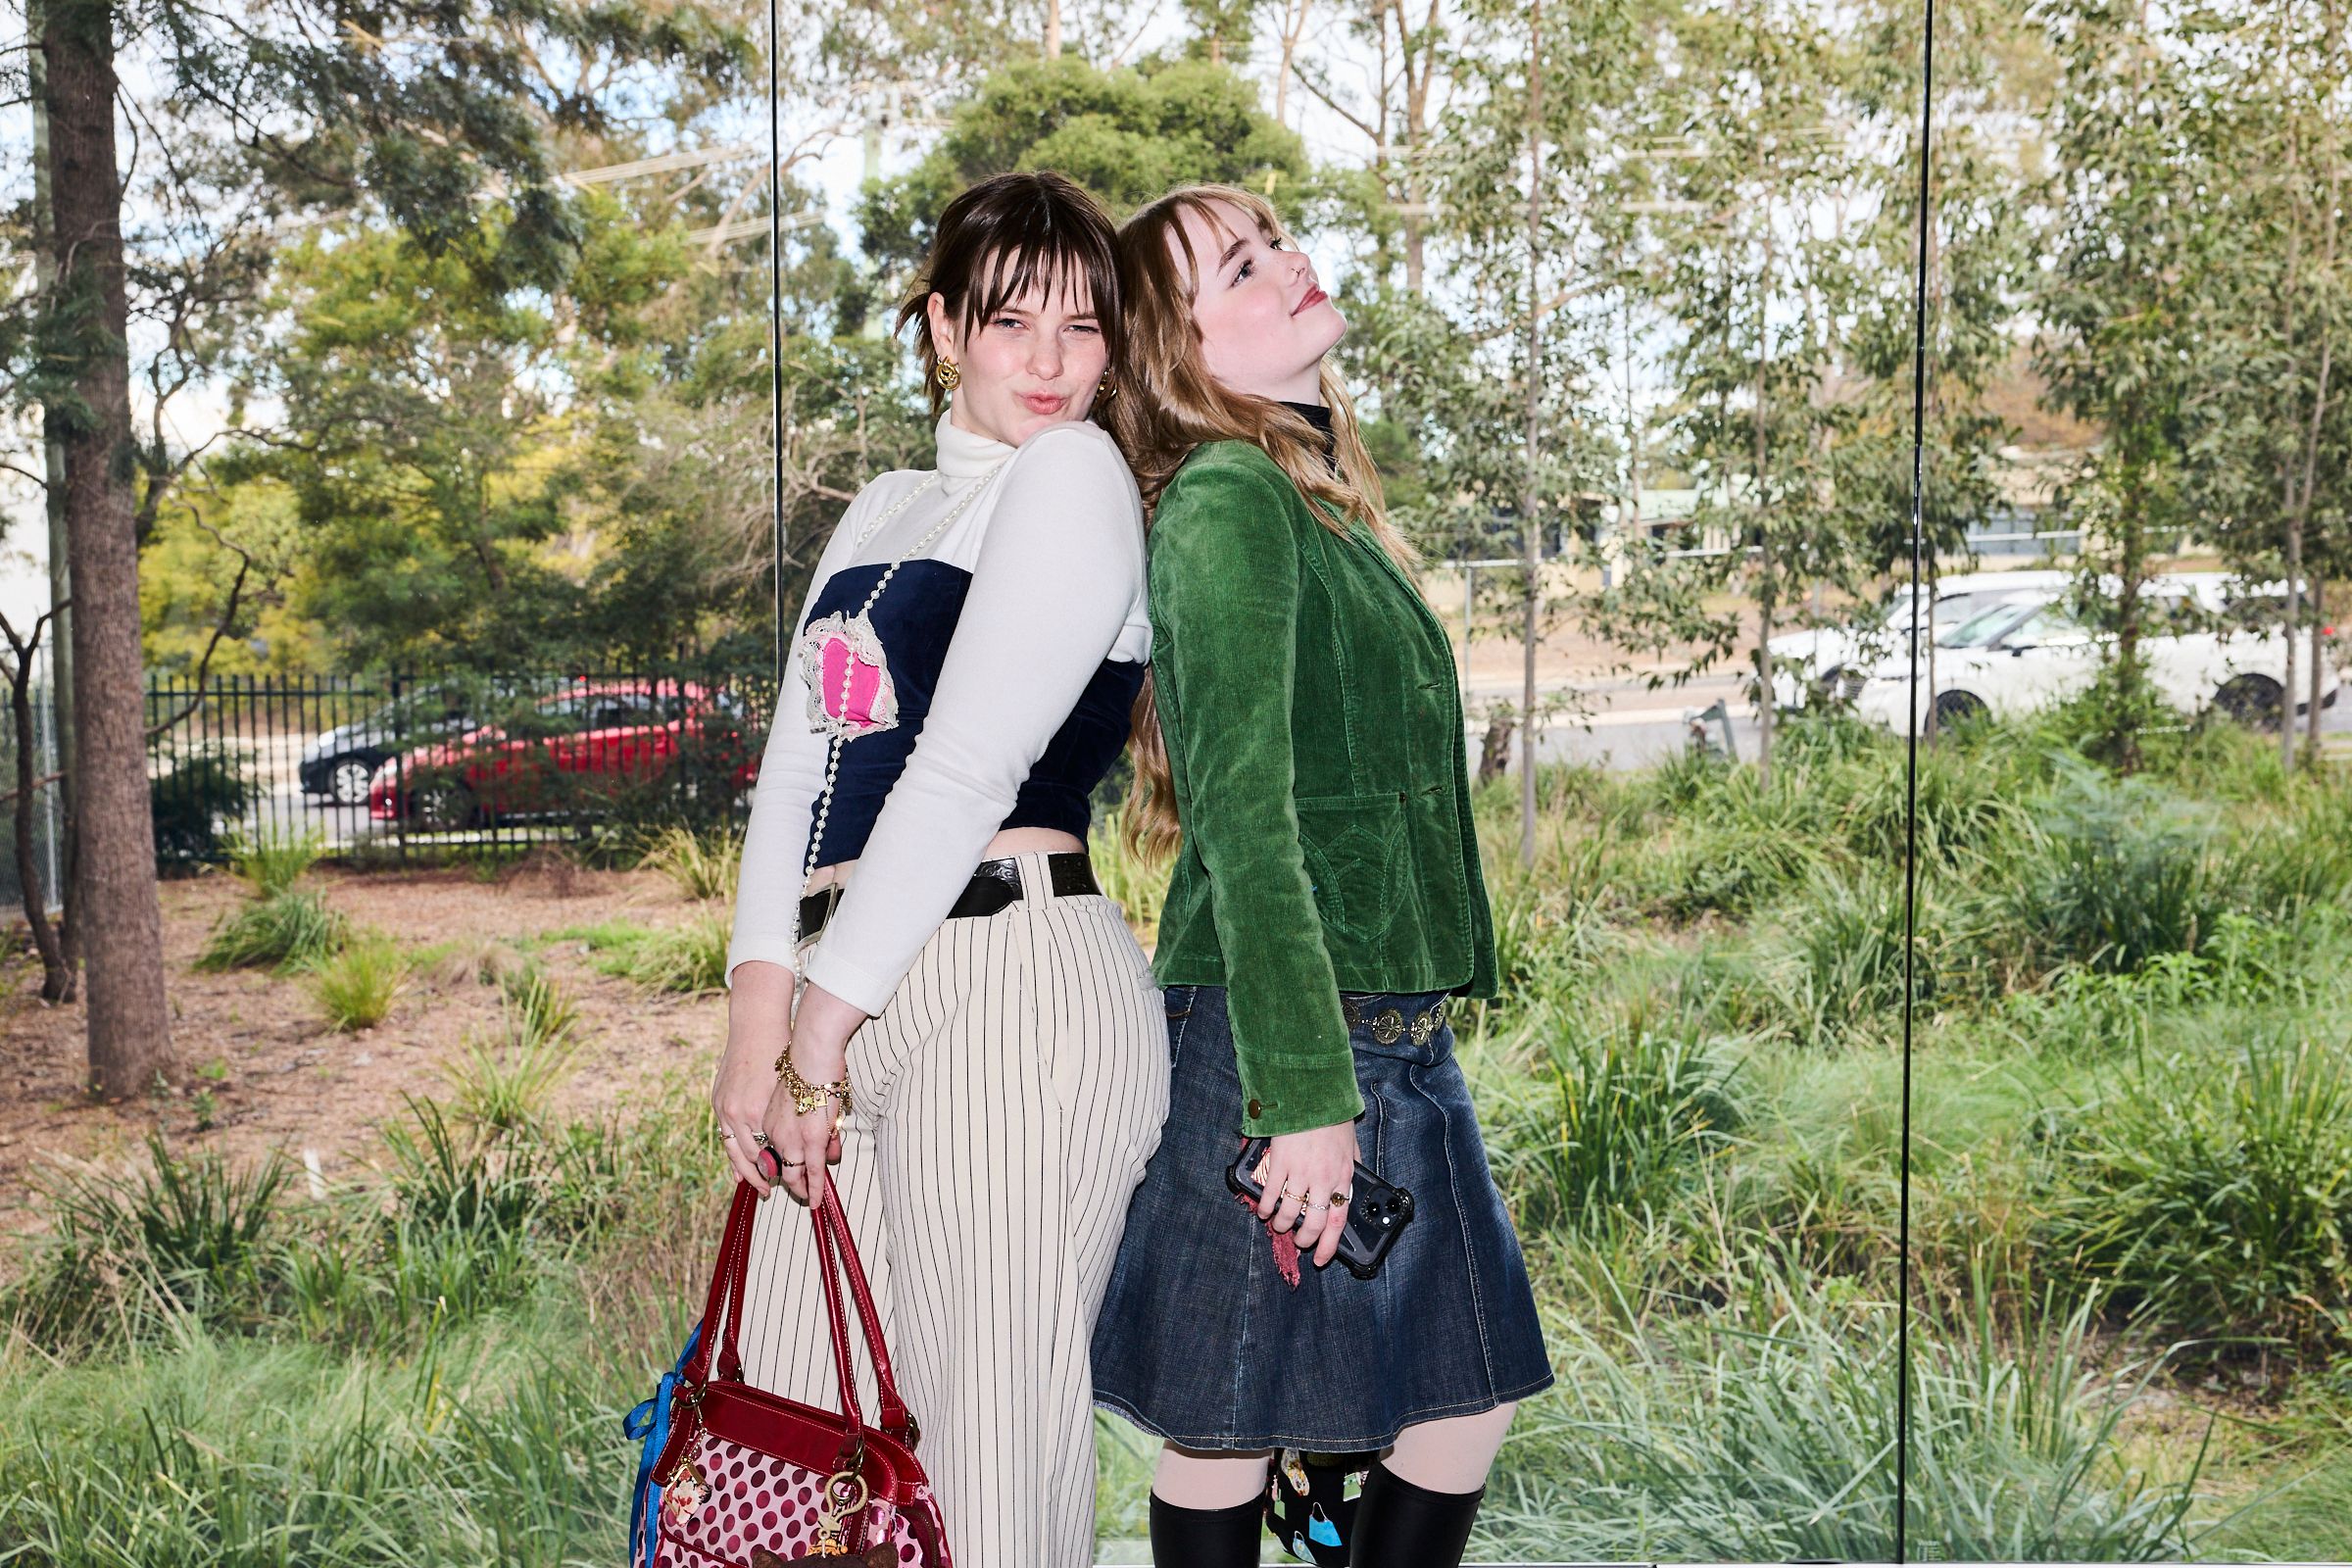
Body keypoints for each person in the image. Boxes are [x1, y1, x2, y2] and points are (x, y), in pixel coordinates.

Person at [1090, 184, 1554, 1568]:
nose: (1287, 263)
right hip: (1284, 1041)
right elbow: (1244, 823)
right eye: (1239, 267)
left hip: (1388, 1032)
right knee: (1228, 1425)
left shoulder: (1305, 489)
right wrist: (1300, 1096)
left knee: (1462, 1402)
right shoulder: (1228, 498)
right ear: (1178, 355)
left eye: (1275, 240)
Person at [711, 170, 1169, 1568]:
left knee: (990, 1460)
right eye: (1012, 320)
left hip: (1009, 985)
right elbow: (799, 767)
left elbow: (965, 770)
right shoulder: (888, 509)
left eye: (1083, 327)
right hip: (849, 996)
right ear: (943, 327)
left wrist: (815, 1036)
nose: (1050, 361)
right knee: (805, 1441)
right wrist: (756, 1017)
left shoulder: (1074, 476)